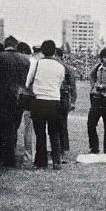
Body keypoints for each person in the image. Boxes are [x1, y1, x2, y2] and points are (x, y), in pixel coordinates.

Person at [26, 40, 65, 170]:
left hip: (38, 101)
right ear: (54, 51)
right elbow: (59, 84)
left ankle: (41, 162)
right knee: (54, 133)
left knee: (40, 134)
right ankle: (56, 161)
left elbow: (27, 83)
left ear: (42, 51)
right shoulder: (60, 67)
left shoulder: (36, 64)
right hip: (54, 101)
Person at [0, 35, 30, 167]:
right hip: (19, 98)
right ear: (15, 45)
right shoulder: (25, 59)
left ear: (5, 44)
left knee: (3, 128)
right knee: (14, 127)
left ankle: (5, 157)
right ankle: (11, 153)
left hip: (2, 98)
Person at [55, 48, 77, 161]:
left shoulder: (66, 68)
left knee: (62, 124)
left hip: (63, 97)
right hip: (54, 97)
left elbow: (73, 85)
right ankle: (57, 148)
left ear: (58, 56)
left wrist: (73, 101)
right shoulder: (53, 67)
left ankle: (63, 149)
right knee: (56, 124)